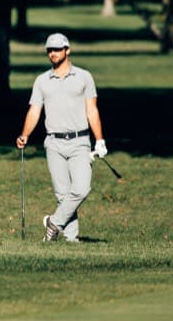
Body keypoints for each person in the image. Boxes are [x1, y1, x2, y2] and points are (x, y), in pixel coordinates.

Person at [16, 33, 107, 242]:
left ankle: (53, 223)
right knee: (62, 194)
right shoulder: (42, 81)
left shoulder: (84, 77)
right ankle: (70, 239)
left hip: (80, 141)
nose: (53, 53)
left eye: (57, 49)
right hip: (53, 142)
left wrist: (100, 140)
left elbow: (92, 110)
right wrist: (25, 135)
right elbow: (34, 111)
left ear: (67, 50)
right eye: (50, 50)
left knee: (81, 189)